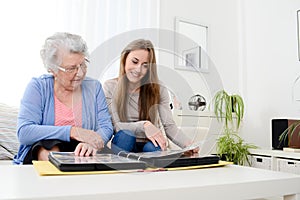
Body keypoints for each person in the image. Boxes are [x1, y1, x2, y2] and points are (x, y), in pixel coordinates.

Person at [13, 32, 113, 165]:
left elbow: (106, 126)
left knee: (87, 154)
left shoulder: (94, 87)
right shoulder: (38, 87)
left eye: (83, 65)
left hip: (82, 150)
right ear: (53, 70)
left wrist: (93, 143)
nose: (80, 73)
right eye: (72, 68)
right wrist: (72, 131)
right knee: (47, 148)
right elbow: (24, 132)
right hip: (45, 150)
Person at [103, 39, 199, 154]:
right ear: (124, 60)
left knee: (156, 149)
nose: (138, 69)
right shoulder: (110, 87)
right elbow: (116, 126)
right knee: (126, 136)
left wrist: (187, 144)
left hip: (149, 142)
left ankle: (149, 169)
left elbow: (169, 126)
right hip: (124, 141)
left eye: (145, 65)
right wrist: (144, 125)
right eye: (135, 62)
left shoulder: (158, 88)